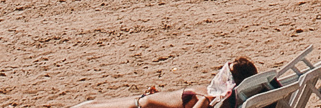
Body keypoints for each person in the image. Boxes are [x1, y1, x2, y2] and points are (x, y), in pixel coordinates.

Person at [69, 57, 260, 108]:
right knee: (89, 105)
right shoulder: (218, 96)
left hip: (139, 105)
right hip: (142, 101)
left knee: (88, 106)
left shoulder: (210, 97)